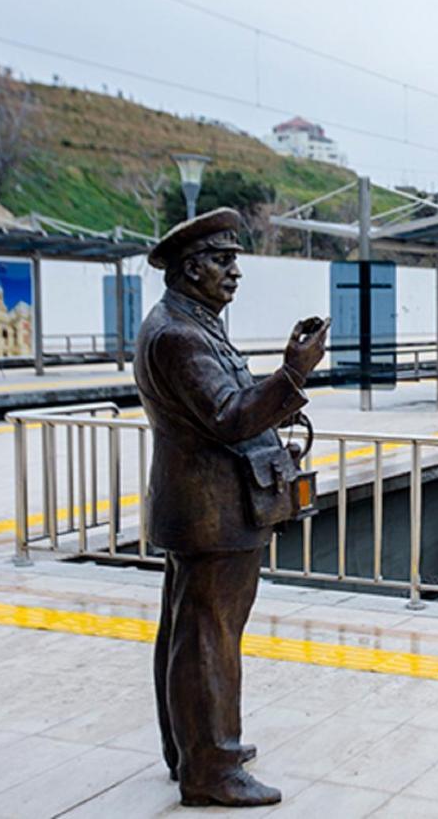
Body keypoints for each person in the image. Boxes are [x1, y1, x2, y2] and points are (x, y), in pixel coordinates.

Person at [134, 207, 329, 807]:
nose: (235, 273)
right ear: (191, 270)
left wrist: (275, 398)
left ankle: (192, 749)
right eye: (224, 261)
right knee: (209, 637)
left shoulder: (190, 323)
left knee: (190, 631)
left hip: (205, 506)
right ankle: (211, 768)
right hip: (212, 510)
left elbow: (229, 405)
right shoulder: (178, 335)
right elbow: (226, 416)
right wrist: (292, 374)